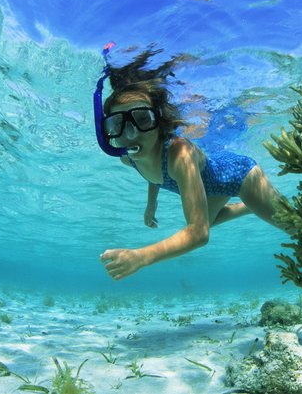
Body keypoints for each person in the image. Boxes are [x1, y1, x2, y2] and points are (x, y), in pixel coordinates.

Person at [94, 45, 285, 280]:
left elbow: (198, 234)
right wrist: (150, 204)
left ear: (160, 122)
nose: (130, 134)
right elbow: (151, 174)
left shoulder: (179, 153)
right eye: (117, 124)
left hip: (238, 175)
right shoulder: (128, 157)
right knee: (210, 219)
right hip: (211, 189)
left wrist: (140, 257)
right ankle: (250, 207)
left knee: (294, 223)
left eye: (142, 119)